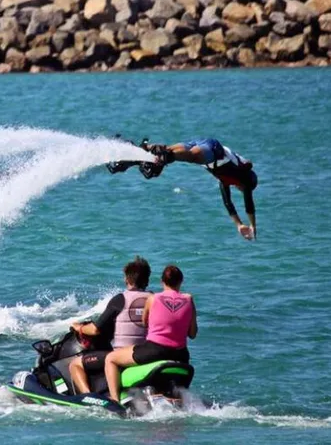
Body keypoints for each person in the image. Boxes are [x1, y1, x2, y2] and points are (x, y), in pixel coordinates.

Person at [103, 265, 197, 406]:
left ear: (162, 281)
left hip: (155, 351)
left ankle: (115, 400)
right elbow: (192, 334)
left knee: (110, 359)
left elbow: (145, 323)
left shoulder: (153, 299)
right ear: (181, 281)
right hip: (181, 355)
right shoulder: (189, 300)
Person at [68, 256, 153, 394]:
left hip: (122, 356)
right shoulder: (154, 299)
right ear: (147, 280)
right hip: (147, 354)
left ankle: (89, 397)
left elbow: (95, 330)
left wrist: (80, 327)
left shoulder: (120, 299)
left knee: (75, 364)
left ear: (127, 279)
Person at [149, 139, 258, 241]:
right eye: (242, 190)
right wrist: (252, 226)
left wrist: (239, 224)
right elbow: (249, 204)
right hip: (214, 150)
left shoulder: (225, 180)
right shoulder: (245, 178)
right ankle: (164, 156)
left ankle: (146, 150)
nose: (239, 189)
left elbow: (227, 202)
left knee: (167, 151)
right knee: (191, 157)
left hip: (202, 145)